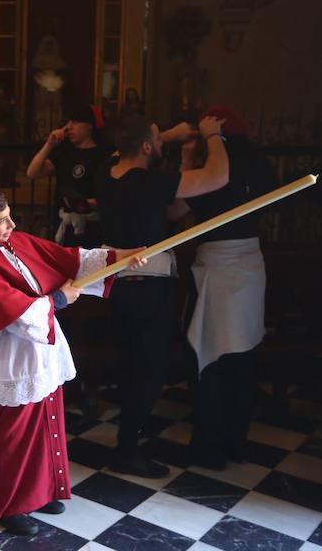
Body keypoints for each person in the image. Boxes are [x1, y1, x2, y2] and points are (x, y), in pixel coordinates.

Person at [0, 185, 143, 535]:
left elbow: (69, 258)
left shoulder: (16, 241)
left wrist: (124, 256)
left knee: (47, 425)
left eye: (9, 215)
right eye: (1, 221)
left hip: (39, 352)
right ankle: (6, 505)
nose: (11, 224)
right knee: (16, 436)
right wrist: (59, 299)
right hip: (11, 360)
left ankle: (39, 494)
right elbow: (18, 315)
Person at [94, 114, 229, 479]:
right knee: (149, 372)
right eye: (157, 140)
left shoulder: (106, 173)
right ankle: (125, 452)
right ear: (147, 147)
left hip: (116, 285)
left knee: (133, 367)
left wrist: (168, 141)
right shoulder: (146, 181)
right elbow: (218, 177)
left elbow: (169, 210)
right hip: (147, 287)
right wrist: (213, 135)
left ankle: (127, 442)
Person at [175, 106, 276, 470]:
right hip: (250, 266)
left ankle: (211, 447)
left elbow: (174, 210)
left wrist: (189, 157)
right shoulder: (261, 168)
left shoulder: (215, 172)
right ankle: (235, 441)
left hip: (221, 268)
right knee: (241, 357)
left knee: (211, 359)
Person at [26, 103, 114, 247]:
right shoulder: (65, 153)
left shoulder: (104, 155)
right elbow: (32, 172)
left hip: (94, 225)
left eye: (75, 122)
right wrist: (49, 144)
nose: (68, 127)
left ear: (90, 125)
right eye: (68, 123)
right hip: (66, 224)